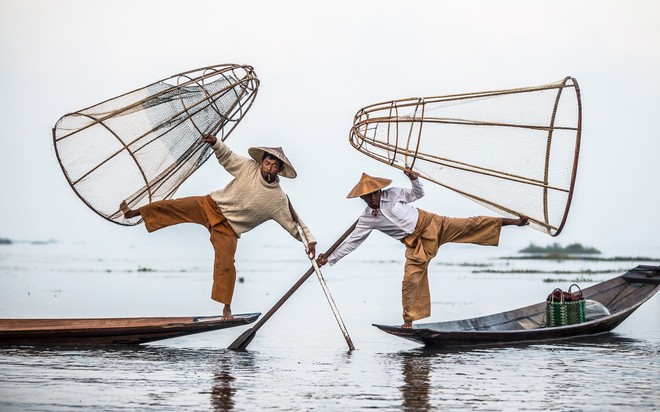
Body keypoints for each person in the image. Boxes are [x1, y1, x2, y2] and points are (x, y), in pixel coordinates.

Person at [121, 134, 316, 319]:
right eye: (267, 163)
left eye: (274, 166)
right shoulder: (248, 168)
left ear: (279, 170)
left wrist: (310, 242)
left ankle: (226, 309)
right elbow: (228, 157)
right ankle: (133, 213)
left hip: (228, 229)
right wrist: (215, 143)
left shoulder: (278, 199)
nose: (268, 168)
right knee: (173, 206)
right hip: (210, 205)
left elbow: (294, 223)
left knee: (226, 265)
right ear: (262, 162)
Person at [317, 170, 527, 328]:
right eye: (367, 196)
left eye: (374, 193)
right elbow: (353, 242)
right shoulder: (366, 219)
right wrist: (330, 258)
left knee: (471, 224)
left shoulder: (393, 194)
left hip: (434, 224)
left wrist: (413, 178)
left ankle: (514, 222)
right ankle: (409, 321)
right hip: (416, 244)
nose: (372, 198)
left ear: (379, 190)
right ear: (361, 198)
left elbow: (417, 194)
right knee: (410, 279)